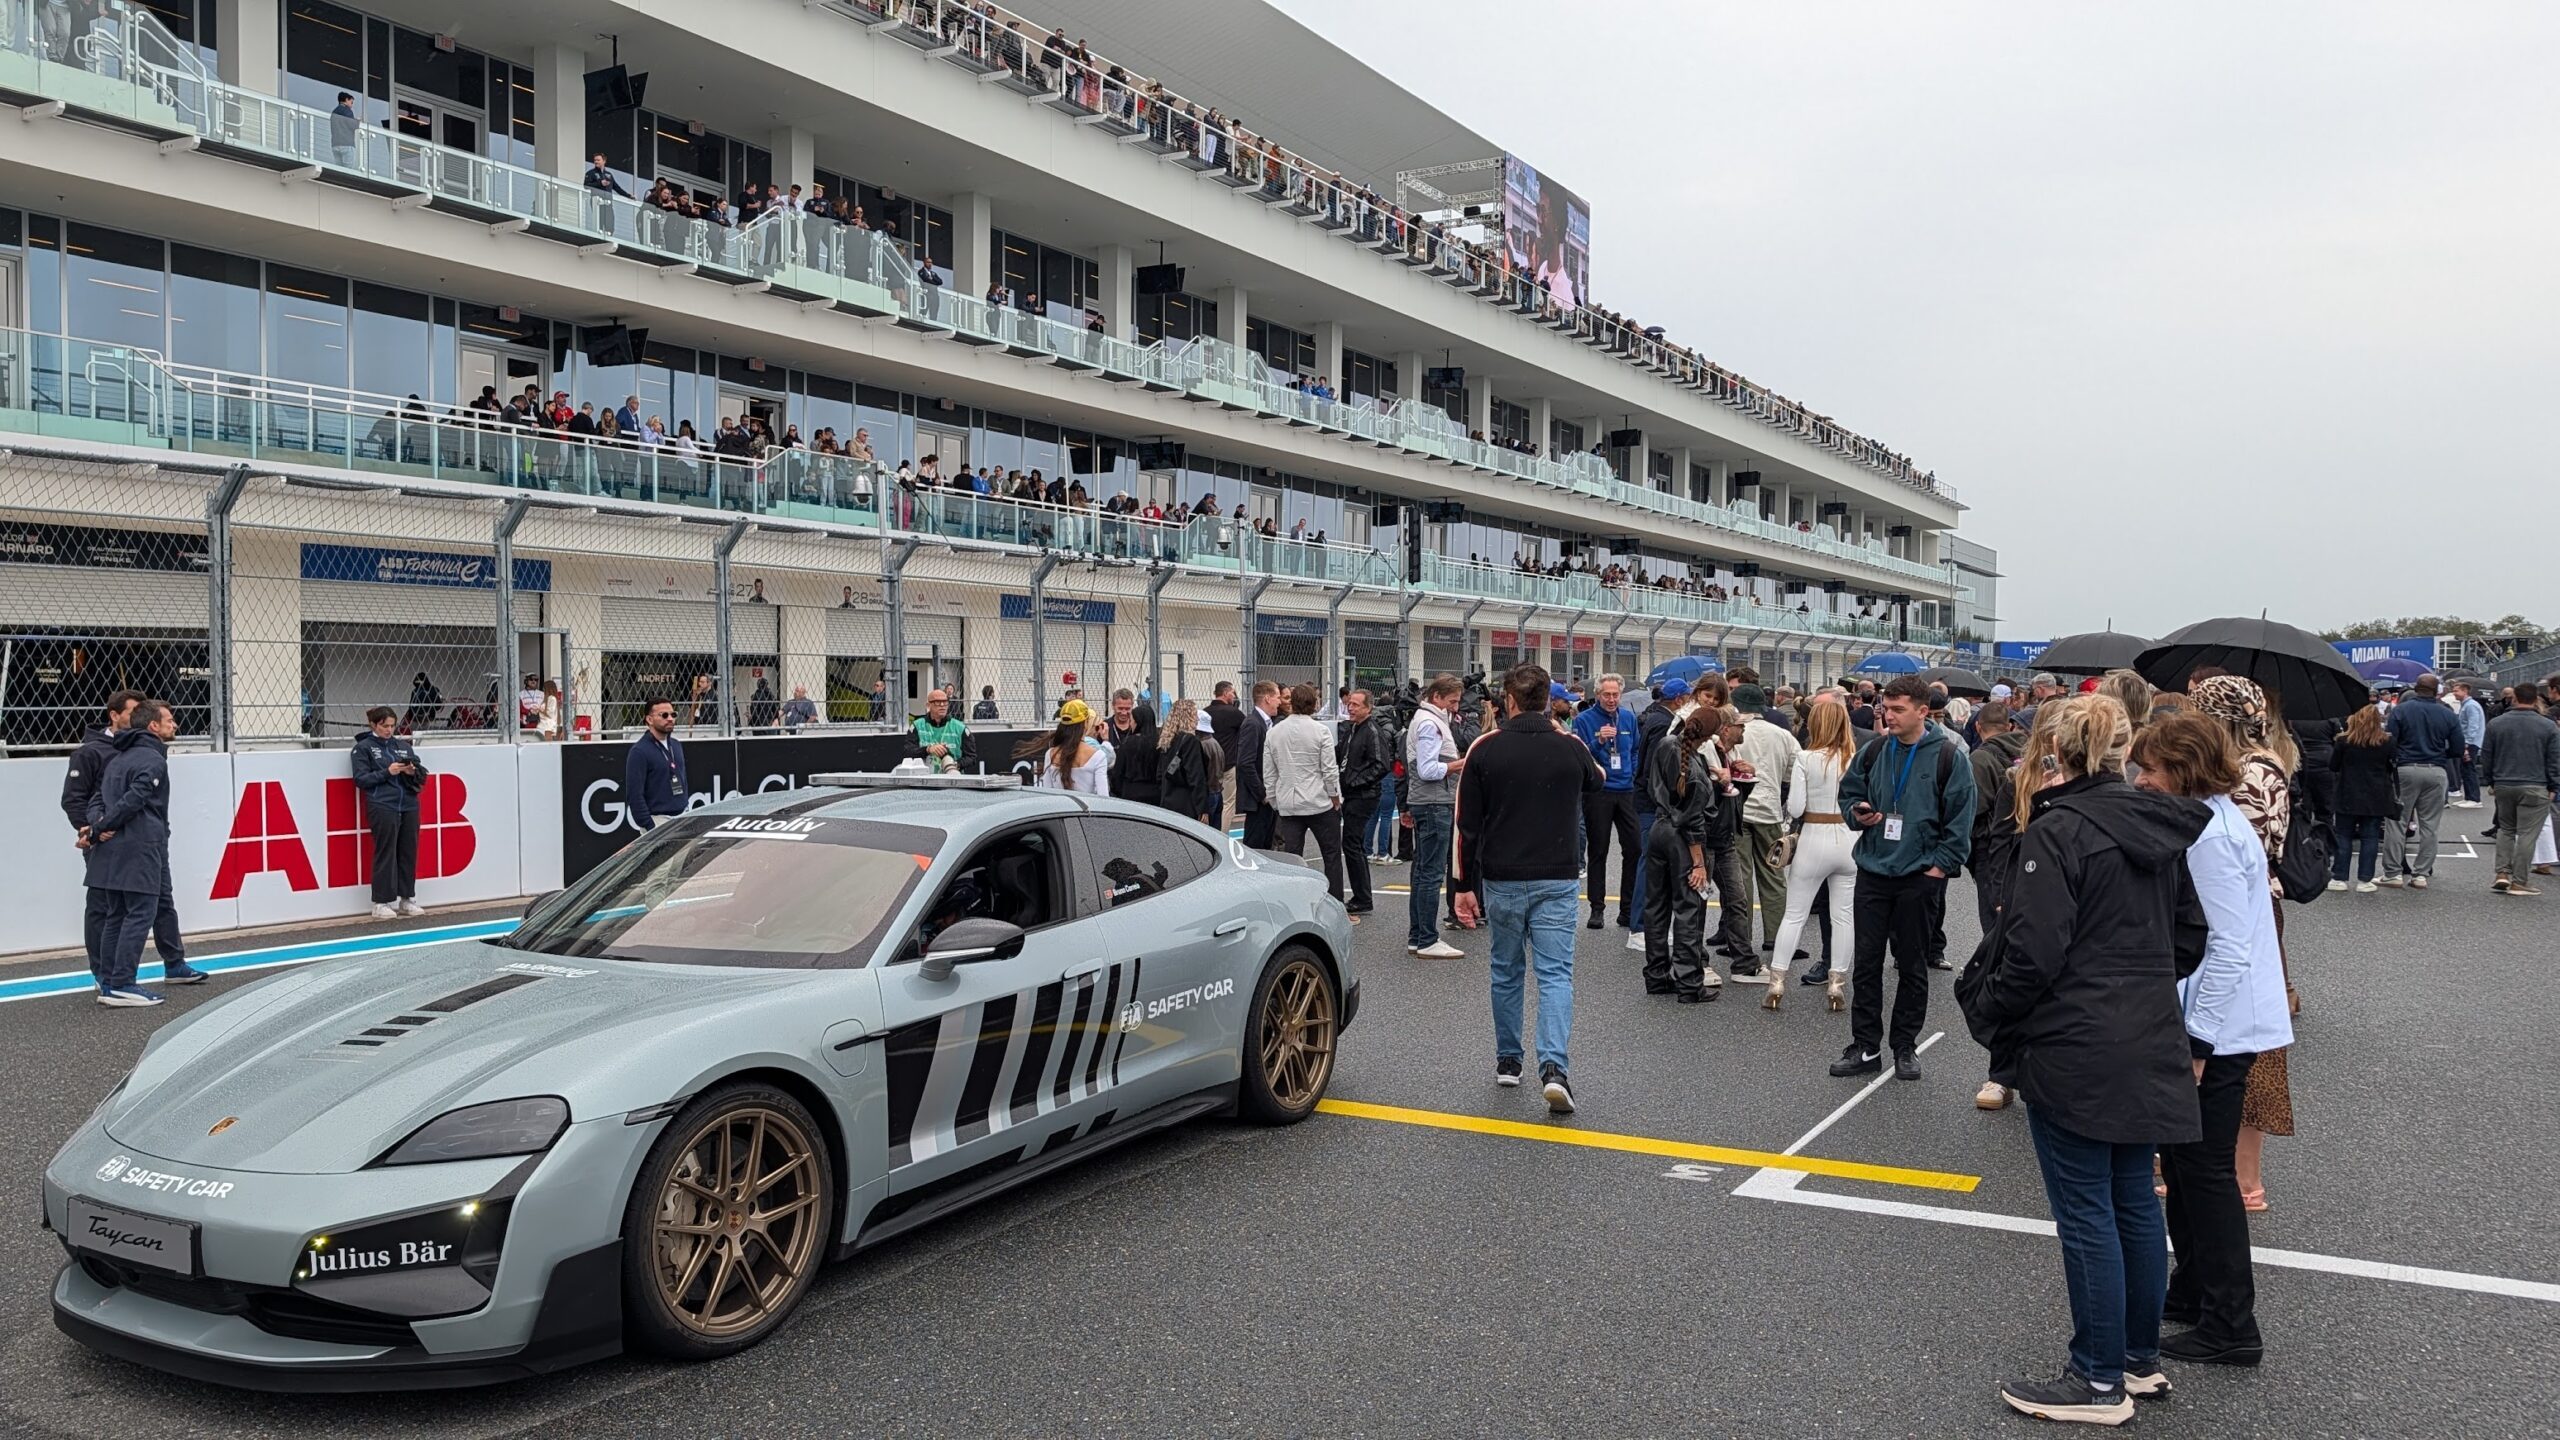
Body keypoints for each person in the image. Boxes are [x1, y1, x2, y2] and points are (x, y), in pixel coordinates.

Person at [1971, 696, 2209, 1423]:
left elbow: (2033, 952)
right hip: (2146, 1029)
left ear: (2055, 756)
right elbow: (2190, 937)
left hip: (2077, 1039)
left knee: (2087, 1215)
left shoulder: (2062, 828)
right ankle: (2137, 1362)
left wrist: (1995, 1009)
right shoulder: (2159, 826)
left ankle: (2097, 1379)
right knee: (2133, 1200)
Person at [2130, 709, 2291, 1370]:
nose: (2139, 779)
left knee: (2204, 1171)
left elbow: (2224, 948)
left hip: (2219, 1028)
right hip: (2221, 1021)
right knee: (2192, 1166)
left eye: (2150, 769)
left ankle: (2230, 1323)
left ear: (2185, 771)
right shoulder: (2212, 822)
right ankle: (2194, 1291)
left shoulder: (2210, 839)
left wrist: (2196, 1041)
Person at [1452, 664, 1603, 1113]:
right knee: (1556, 974)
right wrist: (1561, 733)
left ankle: (1508, 1058)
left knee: (1506, 967)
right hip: (1557, 874)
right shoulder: (1570, 745)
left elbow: (1466, 825)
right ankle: (1554, 1067)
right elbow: (1597, 779)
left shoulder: (1485, 748)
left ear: (1508, 701)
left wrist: (1463, 884)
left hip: (1502, 875)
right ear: (1547, 701)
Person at [2185, 675, 2296, 1213]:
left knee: (2237, 1049)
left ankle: (2239, 1176)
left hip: (2237, 904)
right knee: (2248, 1050)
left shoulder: (2244, 773)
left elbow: (2227, 854)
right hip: (2255, 902)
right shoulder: (2270, 758)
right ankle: (2238, 1174)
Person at [1833, 673, 1976, 1082]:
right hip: (1874, 871)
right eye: (1885, 708)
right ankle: (1864, 1045)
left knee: (1912, 965)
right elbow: (1849, 792)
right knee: (1866, 964)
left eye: (1897, 710)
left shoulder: (1949, 757)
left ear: (1922, 711)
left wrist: (1938, 868)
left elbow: (1960, 820)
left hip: (1918, 876)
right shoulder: (1876, 750)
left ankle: (1905, 1045)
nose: (1888, 716)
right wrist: (1857, 811)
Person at [64, 690, 199, 991]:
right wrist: (94, 829)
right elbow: (78, 799)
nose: (141, 715)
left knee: (161, 900)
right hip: (107, 841)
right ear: (115, 715)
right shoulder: (92, 751)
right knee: (108, 908)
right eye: (135, 710)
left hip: (144, 840)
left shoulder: (139, 751)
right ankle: (107, 976)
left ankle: (173, 962)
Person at [1765, 699, 1859, 1013]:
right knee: (1843, 916)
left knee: (1795, 914)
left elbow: (1794, 808)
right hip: (1848, 840)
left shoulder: (1806, 758)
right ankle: (1837, 983)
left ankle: (1777, 981)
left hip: (1813, 839)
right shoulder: (1855, 759)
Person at [1641, 706, 1728, 1003]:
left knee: (1656, 906)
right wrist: (1699, 863)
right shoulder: (1695, 773)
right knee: (1688, 908)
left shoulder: (1667, 745)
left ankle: (1656, 975)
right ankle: (1689, 982)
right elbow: (1692, 820)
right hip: (1683, 839)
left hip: (1658, 829)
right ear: (1707, 735)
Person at [1729, 682, 1803, 978]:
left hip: (1737, 808)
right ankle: (1776, 935)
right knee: (1774, 874)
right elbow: (1794, 770)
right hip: (1770, 809)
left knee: (1740, 875)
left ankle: (1741, 935)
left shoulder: (1731, 732)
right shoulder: (1782, 735)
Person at [1571, 674, 1642, 930]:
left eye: (1615, 695)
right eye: (1606, 695)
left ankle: (1627, 908)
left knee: (1634, 848)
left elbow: (1634, 749)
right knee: (1598, 850)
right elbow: (1579, 754)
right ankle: (1597, 908)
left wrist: (1632, 774)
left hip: (1626, 791)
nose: (1611, 699)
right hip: (1598, 791)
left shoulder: (1629, 718)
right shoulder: (1584, 719)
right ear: (1598, 695)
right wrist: (1599, 740)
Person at [2377, 672, 2462, 887]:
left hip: (2406, 768)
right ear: (2437, 691)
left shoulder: (2402, 710)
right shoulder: (2447, 714)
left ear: (2416, 688)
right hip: (2436, 769)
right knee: (2430, 825)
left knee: (2397, 822)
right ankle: (2421, 874)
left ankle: (2393, 873)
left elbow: (2390, 741)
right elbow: (2458, 748)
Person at [1404, 674, 1467, 960]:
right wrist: (1460, 764)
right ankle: (1427, 938)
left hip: (1427, 801)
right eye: (1452, 701)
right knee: (1430, 873)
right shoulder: (1430, 723)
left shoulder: (1425, 719)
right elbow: (1428, 770)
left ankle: (1418, 936)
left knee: (1421, 871)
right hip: (1434, 802)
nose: (1455, 706)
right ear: (1436, 697)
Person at [1267, 684, 1348, 903]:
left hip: (1289, 803)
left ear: (1291, 702)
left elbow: (1269, 772)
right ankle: (1336, 904)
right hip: (1319, 802)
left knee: (1292, 858)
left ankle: (1293, 903)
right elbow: (1329, 770)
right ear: (1314, 704)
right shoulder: (1321, 730)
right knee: (1331, 856)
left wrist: (1275, 801)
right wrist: (1335, 797)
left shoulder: (1274, 732)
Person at [2480, 680, 2560, 894]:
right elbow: (2554, 759)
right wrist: (2554, 785)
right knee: (2527, 834)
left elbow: (2487, 755)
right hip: (2536, 784)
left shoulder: (2496, 724)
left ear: (2514, 698)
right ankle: (2520, 881)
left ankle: (2502, 873)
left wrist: (2491, 781)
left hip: (2504, 783)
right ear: (2535, 700)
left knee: (2506, 829)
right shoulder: (2547, 725)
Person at [351, 706, 427, 920]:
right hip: (382, 804)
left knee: (408, 851)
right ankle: (381, 902)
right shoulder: (363, 748)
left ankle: (407, 898)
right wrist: (387, 772)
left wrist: (412, 772)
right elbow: (361, 779)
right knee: (386, 852)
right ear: (374, 725)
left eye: (392, 726)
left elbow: (421, 778)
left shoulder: (403, 746)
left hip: (409, 804)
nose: (389, 730)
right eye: (385, 726)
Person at [1335, 689, 1395, 916]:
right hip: (1352, 794)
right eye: (1350, 704)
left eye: (1356, 705)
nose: (1351, 708)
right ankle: (1362, 896)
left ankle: (1362, 897)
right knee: (1352, 844)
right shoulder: (1352, 729)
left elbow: (1381, 764)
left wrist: (1356, 782)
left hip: (1363, 795)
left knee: (1352, 844)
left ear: (1368, 708)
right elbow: (1341, 755)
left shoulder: (1371, 730)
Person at [2326, 701, 2395, 891]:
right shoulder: (2386, 741)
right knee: (2370, 837)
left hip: (2347, 792)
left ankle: (2339, 877)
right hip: (2375, 794)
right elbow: (2390, 766)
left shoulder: (2343, 741)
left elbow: (2333, 766)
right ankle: (2365, 880)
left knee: (2343, 835)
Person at [623, 699, 690, 835]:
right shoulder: (640, 751)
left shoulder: (676, 745)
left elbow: (682, 780)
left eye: (673, 714)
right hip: (658, 821)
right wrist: (650, 827)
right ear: (649, 719)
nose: (670, 719)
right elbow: (635, 795)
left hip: (682, 818)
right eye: (664, 715)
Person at [1024, 700, 1109, 793]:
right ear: (1085, 723)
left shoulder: (1051, 754)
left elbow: (1047, 793)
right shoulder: (1098, 756)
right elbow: (1103, 796)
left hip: (1061, 807)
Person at [1234, 680, 1280, 849]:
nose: (1279, 701)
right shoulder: (1253, 723)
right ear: (1267, 698)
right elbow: (1245, 763)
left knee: (1266, 847)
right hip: (1256, 803)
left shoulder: (1266, 723)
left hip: (1265, 801)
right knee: (1254, 849)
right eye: (1277, 697)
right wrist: (1262, 794)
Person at [1156, 699, 1212, 822]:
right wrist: (1202, 808)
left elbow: (1160, 775)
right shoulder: (1191, 741)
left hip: (1168, 799)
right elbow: (1196, 777)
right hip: (1186, 802)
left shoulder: (1166, 741)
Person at [1105, 689, 1162, 804]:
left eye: (1127, 709)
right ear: (1113, 706)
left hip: (1129, 790)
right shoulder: (1105, 727)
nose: (1124, 712)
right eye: (1120, 708)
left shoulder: (1130, 742)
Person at [907, 688, 973, 773]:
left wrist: (955, 764)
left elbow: (971, 757)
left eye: (945, 702)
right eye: (937, 702)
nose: (942, 705)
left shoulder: (960, 727)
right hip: (924, 778)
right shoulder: (917, 726)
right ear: (928, 705)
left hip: (953, 778)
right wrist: (928, 749)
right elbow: (908, 752)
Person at [2450, 678, 2487, 808]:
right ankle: (2469, 796)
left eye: (2456, 691)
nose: (2454, 693)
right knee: (2465, 769)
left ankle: (2474, 798)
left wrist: (2467, 743)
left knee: (2469, 769)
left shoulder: (2471, 706)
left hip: (2470, 743)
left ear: (2465, 691)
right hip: (2469, 742)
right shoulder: (2467, 705)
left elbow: (2473, 726)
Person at [329, 91, 359, 168]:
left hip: (335, 144)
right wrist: (357, 121)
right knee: (348, 170)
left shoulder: (334, 112)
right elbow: (353, 125)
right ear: (346, 100)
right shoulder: (347, 111)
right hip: (347, 144)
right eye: (351, 102)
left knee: (339, 170)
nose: (351, 106)